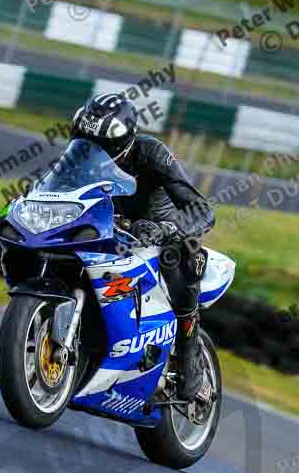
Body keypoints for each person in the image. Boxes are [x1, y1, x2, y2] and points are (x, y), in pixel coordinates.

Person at [71, 92, 215, 401]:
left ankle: (190, 358)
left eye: (101, 145)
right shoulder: (77, 159)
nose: (93, 151)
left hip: (157, 238)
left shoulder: (151, 154)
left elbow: (202, 210)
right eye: (86, 140)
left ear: (123, 142)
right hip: (107, 233)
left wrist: (166, 228)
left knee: (183, 255)